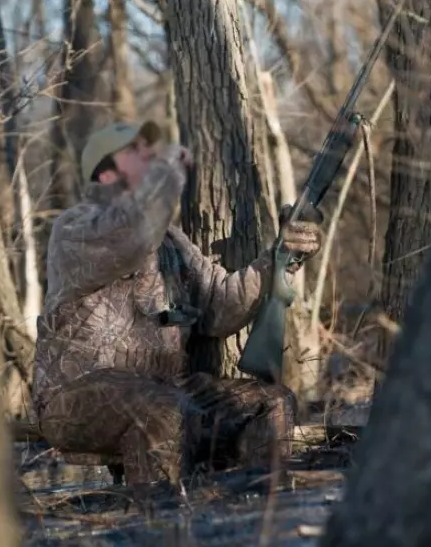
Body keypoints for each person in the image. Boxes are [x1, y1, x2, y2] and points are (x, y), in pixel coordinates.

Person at [33, 120, 322, 499]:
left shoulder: (173, 241)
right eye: (137, 156)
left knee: (271, 404)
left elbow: (222, 305)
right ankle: (159, 529)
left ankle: (258, 520)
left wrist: (281, 257)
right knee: (164, 409)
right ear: (105, 174)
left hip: (169, 392)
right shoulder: (75, 227)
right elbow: (130, 236)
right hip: (74, 397)